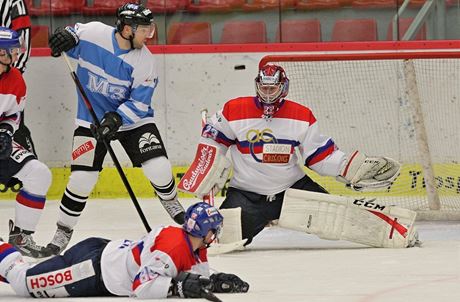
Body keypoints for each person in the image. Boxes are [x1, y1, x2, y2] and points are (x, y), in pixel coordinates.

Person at [180, 64, 402, 246]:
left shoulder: (301, 115)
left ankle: (397, 231)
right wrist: (210, 165)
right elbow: (212, 138)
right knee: (218, 240)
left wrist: (346, 167)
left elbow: (319, 157)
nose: (267, 94)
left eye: (272, 89)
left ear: (283, 88)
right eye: (264, 88)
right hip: (246, 196)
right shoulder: (234, 110)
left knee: (342, 217)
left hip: (292, 189)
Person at [45, 2, 185, 255]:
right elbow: (72, 33)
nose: (148, 35)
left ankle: (170, 201)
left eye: (149, 29)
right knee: (81, 180)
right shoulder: (94, 33)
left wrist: (116, 119)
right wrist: (63, 38)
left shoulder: (145, 62)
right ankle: (63, 231)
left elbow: (140, 104)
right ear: (126, 29)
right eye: (143, 30)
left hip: (133, 122)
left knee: (160, 169)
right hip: (90, 120)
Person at [0, 202, 249, 299]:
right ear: (206, 232)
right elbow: (140, 287)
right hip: (90, 272)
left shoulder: (193, 245)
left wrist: (213, 281)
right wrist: (175, 287)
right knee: (23, 282)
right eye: (214, 230)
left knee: (27, 274)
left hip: (102, 253)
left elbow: (189, 273)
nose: (215, 235)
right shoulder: (172, 248)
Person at [0, 27, 52, 258]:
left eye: (14, 50)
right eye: (9, 51)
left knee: (39, 173)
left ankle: (21, 237)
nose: (14, 55)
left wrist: (5, 132)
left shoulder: (16, 80)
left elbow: (13, 115)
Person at [1, 0, 38, 191]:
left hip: (6, 78)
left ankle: (21, 180)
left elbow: (23, 35)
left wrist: (12, 73)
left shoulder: (12, 2)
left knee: (13, 129)